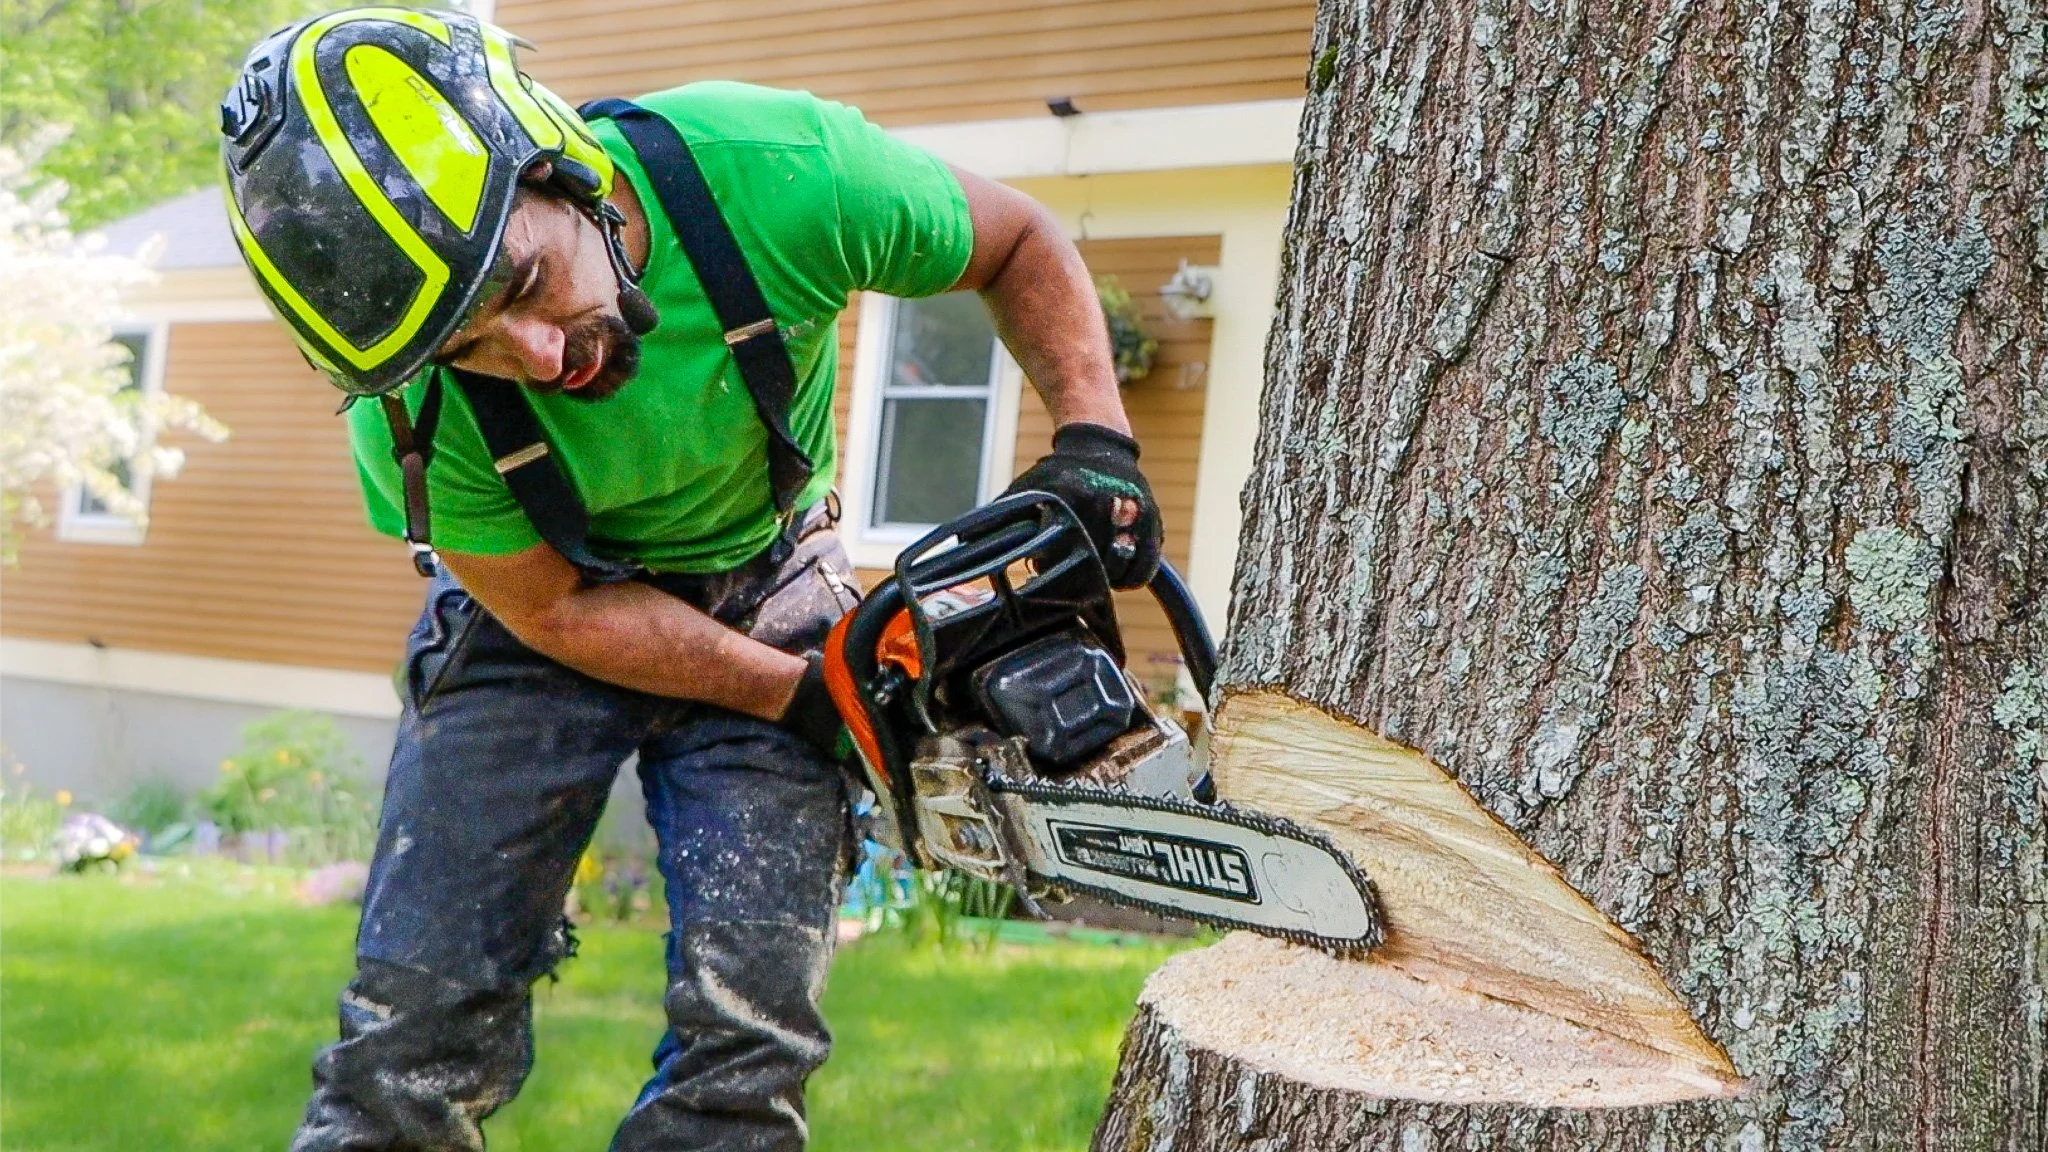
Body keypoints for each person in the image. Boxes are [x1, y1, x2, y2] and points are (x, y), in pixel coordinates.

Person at [218, 7, 1164, 1151]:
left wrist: (1094, 440)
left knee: (749, 1037)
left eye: (523, 281)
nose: (536, 356)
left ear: (560, 165)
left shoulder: (775, 174)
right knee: (411, 1044)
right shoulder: (407, 413)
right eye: (469, 345)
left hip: (770, 569)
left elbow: (1016, 242)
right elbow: (555, 608)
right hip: (536, 625)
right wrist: (788, 693)